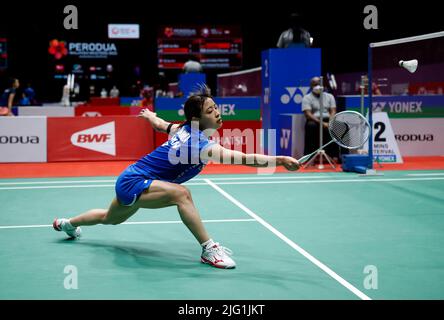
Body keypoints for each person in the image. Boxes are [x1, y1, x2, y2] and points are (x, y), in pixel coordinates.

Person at [53, 87, 300, 269]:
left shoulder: (183, 129)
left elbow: (162, 125)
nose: (217, 113)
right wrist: (280, 160)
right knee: (182, 194)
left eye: (216, 108)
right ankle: (209, 250)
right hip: (135, 180)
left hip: (131, 178)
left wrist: (149, 116)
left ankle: (68, 223)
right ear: (198, 118)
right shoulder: (199, 144)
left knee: (109, 219)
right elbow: (244, 158)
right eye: (210, 110)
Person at [302, 77, 338, 161]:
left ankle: (336, 156)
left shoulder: (330, 96)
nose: (317, 86)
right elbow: (308, 114)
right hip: (315, 120)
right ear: (311, 86)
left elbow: (333, 110)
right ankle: (309, 157)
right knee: (311, 126)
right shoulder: (307, 98)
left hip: (328, 120)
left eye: (319, 84)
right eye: (315, 85)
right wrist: (322, 123)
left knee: (338, 127)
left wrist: (330, 122)